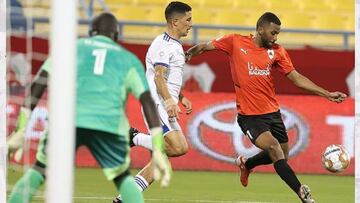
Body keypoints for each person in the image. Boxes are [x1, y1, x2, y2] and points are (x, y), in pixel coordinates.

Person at [7, 12, 171, 203]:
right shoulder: (128, 59)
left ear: (92, 33)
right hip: (108, 124)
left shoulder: (71, 49)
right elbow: (147, 101)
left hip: (68, 119)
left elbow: (39, 84)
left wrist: (21, 129)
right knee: (122, 178)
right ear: (116, 36)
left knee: (39, 171)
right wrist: (158, 147)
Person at [186, 12, 347, 203]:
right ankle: (302, 192)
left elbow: (296, 78)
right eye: (273, 33)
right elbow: (204, 47)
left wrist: (326, 93)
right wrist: (188, 53)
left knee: (282, 156)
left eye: (277, 33)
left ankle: (247, 164)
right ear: (260, 29)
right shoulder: (235, 42)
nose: (275, 37)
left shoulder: (277, 51)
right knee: (274, 148)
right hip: (250, 117)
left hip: (273, 114)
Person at [113, 1, 192, 202]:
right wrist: (169, 102)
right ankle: (135, 138)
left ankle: (123, 199)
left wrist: (180, 97)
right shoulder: (163, 45)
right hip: (157, 103)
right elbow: (158, 77)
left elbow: (167, 78)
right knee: (178, 148)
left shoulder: (174, 45)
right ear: (175, 21)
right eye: (188, 20)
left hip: (165, 102)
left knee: (160, 160)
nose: (191, 24)